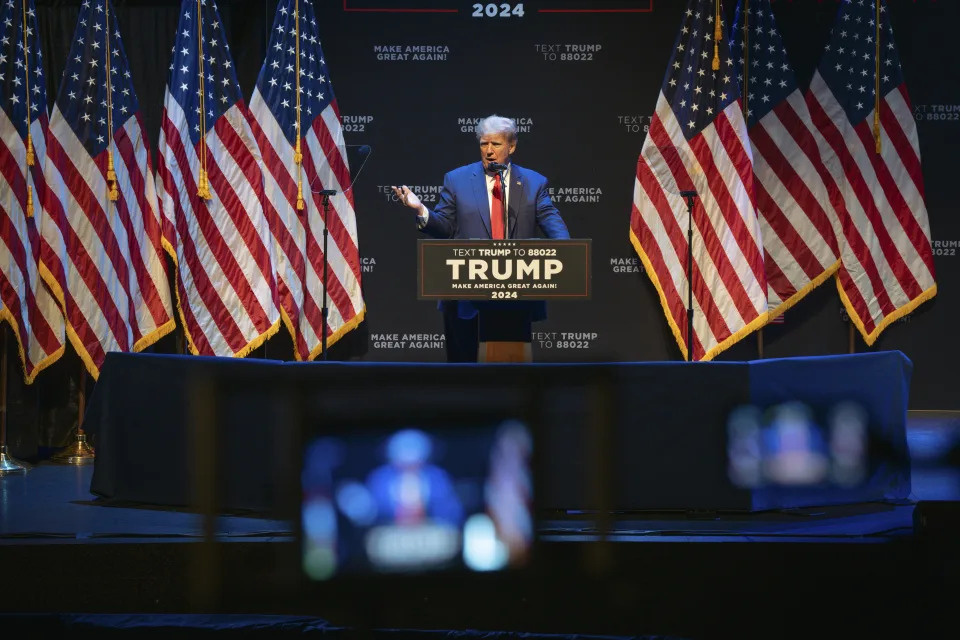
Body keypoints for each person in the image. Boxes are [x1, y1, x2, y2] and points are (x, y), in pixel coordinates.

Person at [393, 115, 570, 362]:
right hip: (465, 296)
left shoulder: (533, 182)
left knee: (512, 375)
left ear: (512, 146)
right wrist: (422, 210)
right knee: (465, 377)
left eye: (496, 145)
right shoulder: (457, 179)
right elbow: (444, 227)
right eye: (483, 144)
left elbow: (554, 226)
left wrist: (567, 254)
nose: (488, 151)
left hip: (515, 296)